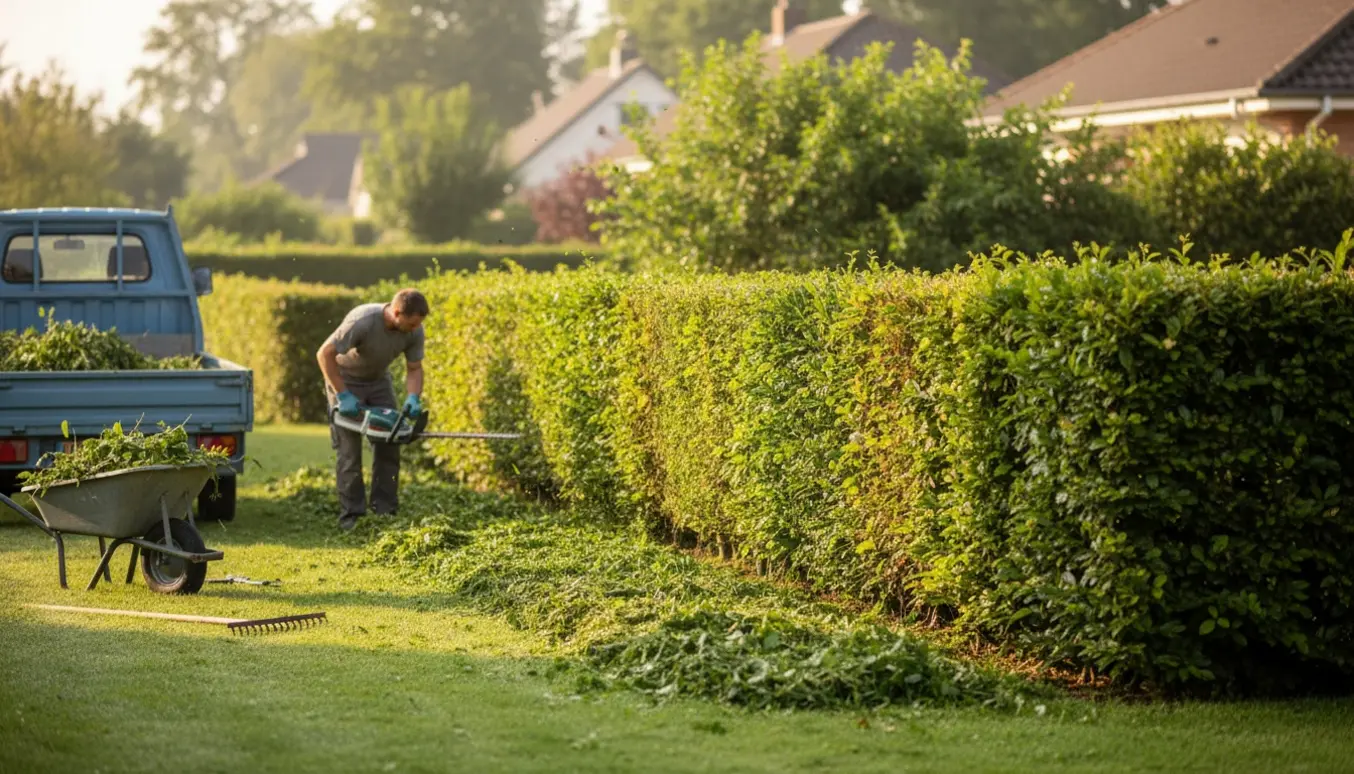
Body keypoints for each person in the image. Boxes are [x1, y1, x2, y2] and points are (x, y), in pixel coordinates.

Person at [316, 288, 429, 530]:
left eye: (417, 325)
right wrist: (342, 395)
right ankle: (352, 518)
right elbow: (324, 354)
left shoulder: (415, 330)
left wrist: (413, 397)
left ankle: (384, 512)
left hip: (378, 383)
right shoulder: (363, 321)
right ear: (396, 312)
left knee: (390, 443)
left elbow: (414, 368)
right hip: (344, 381)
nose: (415, 329)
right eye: (410, 324)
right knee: (349, 453)